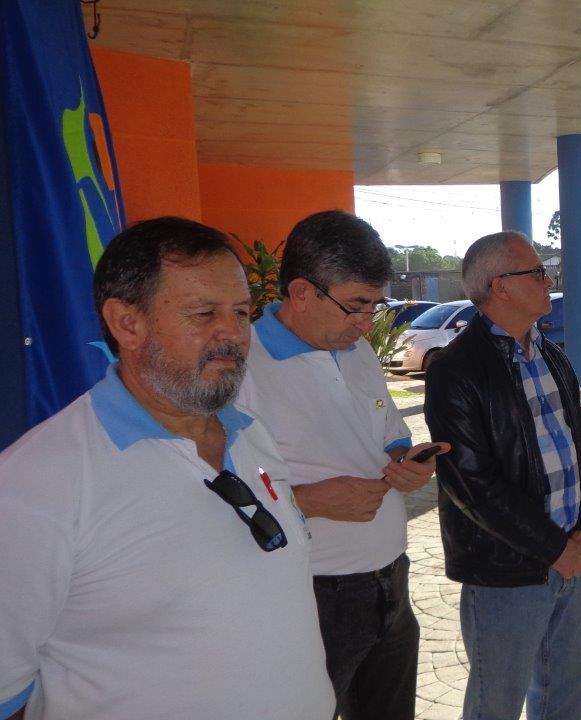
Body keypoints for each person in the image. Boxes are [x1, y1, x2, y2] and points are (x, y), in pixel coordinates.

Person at [0, 217, 333, 720]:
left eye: (241, 312)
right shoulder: (37, 483)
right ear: (126, 323)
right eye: (204, 313)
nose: (234, 335)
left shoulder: (250, 432)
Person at [235, 210, 443, 720]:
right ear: (302, 292)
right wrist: (310, 501)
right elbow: (212, 496)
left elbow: (389, 437)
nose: (367, 322)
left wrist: (406, 464)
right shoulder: (240, 366)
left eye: (375, 305)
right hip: (313, 595)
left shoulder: (356, 350)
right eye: (356, 306)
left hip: (391, 581)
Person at [424, 231, 581, 720]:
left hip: (572, 558)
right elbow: (471, 484)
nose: (549, 280)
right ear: (500, 286)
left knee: (565, 691)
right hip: (506, 571)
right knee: (496, 705)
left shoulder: (549, 354)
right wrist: (555, 548)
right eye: (538, 272)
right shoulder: (456, 369)